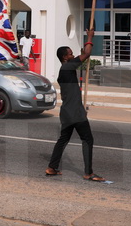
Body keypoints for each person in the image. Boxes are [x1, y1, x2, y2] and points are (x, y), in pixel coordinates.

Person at [45, 29, 105, 182]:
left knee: (63, 139)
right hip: (75, 112)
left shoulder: (64, 69)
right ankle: (88, 173)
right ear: (65, 57)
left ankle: (52, 167)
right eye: (70, 54)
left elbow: (83, 56)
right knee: (87, 139)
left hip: (66, 112)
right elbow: (86, 54)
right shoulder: (68, 66)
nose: (72, 55)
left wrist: (82, 55)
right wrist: (90, 36)